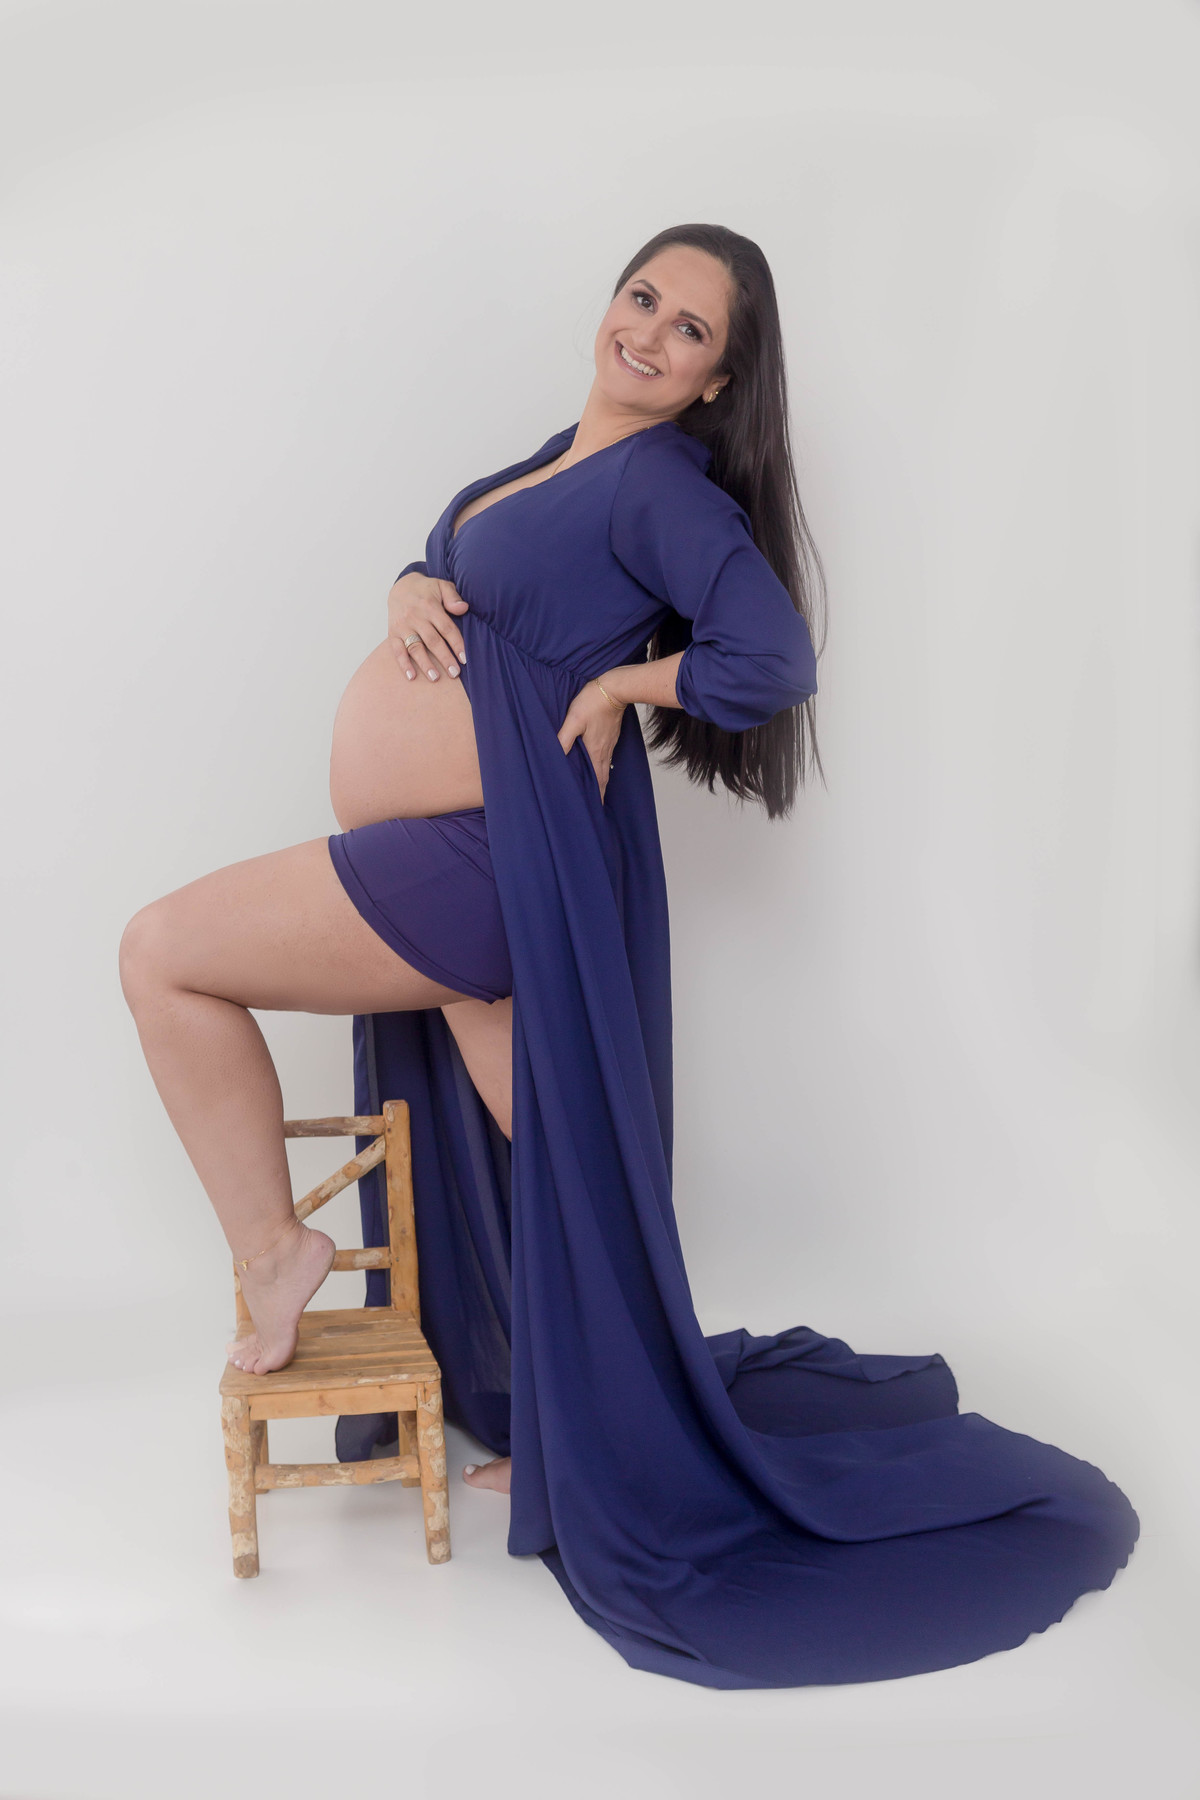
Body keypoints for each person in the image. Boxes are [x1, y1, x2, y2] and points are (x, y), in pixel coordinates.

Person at [120, 223, 1137, 1689]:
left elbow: (771, 656)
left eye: (690, 332)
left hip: (491, 861)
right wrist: (409, 582)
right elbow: (462, 570)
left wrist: (623, 685)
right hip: (482, 857)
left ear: (716, 382)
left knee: (163, 953)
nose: (650, 333)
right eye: (643, 298)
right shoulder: (559, 458)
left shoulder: (659, 484)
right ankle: (577, 1425)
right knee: (553, 1151)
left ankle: (281, 1254)